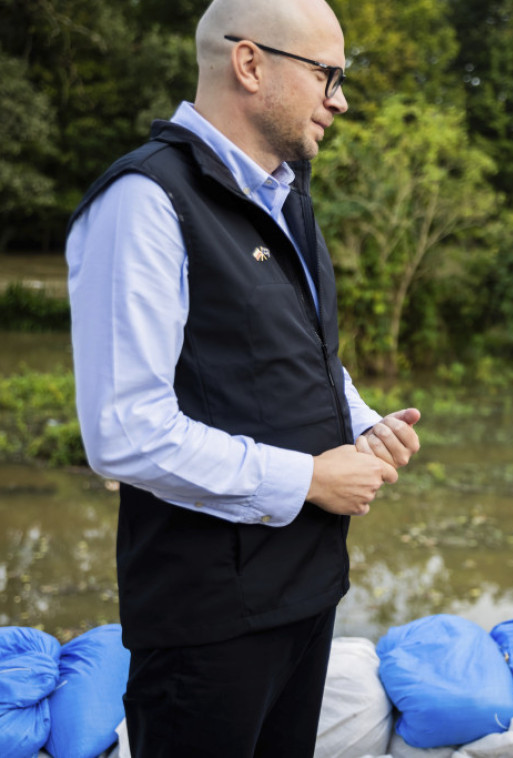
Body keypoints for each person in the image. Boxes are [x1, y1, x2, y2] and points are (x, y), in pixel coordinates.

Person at [65, 0, 420, 755]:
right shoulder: (145, 201)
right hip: (209, 621)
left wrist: (358, 419)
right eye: (328, 75)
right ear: (251, 63)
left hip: (307, 591)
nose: (340, 100)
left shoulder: (288, 193)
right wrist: (310, 479)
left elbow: (297, 347)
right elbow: (122, 431)